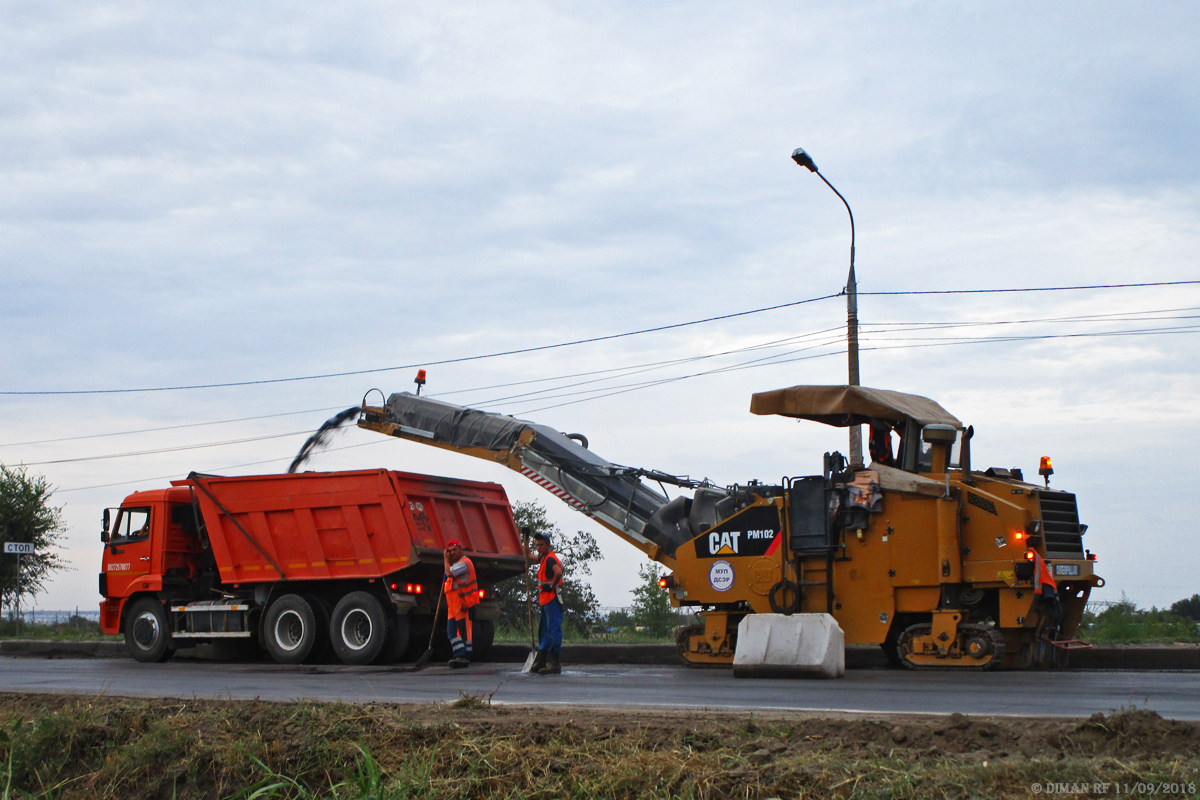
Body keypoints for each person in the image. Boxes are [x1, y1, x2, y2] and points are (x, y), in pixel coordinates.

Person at [524, 532, 563, 675]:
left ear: (548, 545)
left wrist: (551, 586)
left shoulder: (551, 559)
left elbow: (558, 572)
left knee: (552, 630)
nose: (538, 548)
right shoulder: (543, 558)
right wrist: (526, 539)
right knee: (544, 631)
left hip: (552, 599)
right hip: (545, 600)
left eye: (541, 545)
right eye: (537, 545)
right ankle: (541, 660)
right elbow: (528, 555)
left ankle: (554, 663)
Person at [442, 540, 480, 669]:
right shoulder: (456, 564)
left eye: (454, 550)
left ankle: (463, 656)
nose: (452, 553)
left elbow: (449, 573)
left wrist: (445, 558)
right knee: (452, 631)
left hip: (462, 602)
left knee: (464, 631)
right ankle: (461, 654)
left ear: (460, 549)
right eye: (450, 551)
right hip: (453, 604)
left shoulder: (464, 563)